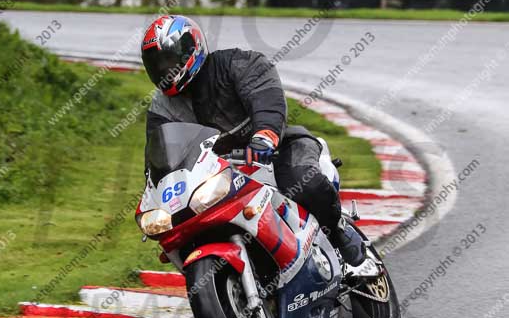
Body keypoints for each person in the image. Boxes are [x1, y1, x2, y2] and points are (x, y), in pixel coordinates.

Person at [141, 14, 366, 266]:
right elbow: (159, 154)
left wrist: (264, 137)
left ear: (191, 49)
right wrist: (154, 190)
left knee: (304, 182)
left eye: (169, 61)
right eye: (157, 65)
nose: (165, 70)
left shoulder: (238, 63)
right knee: (182, 226)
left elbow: (267, 100)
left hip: (276, 151)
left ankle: (338, 231)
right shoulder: (162, 107)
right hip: (219, 175)